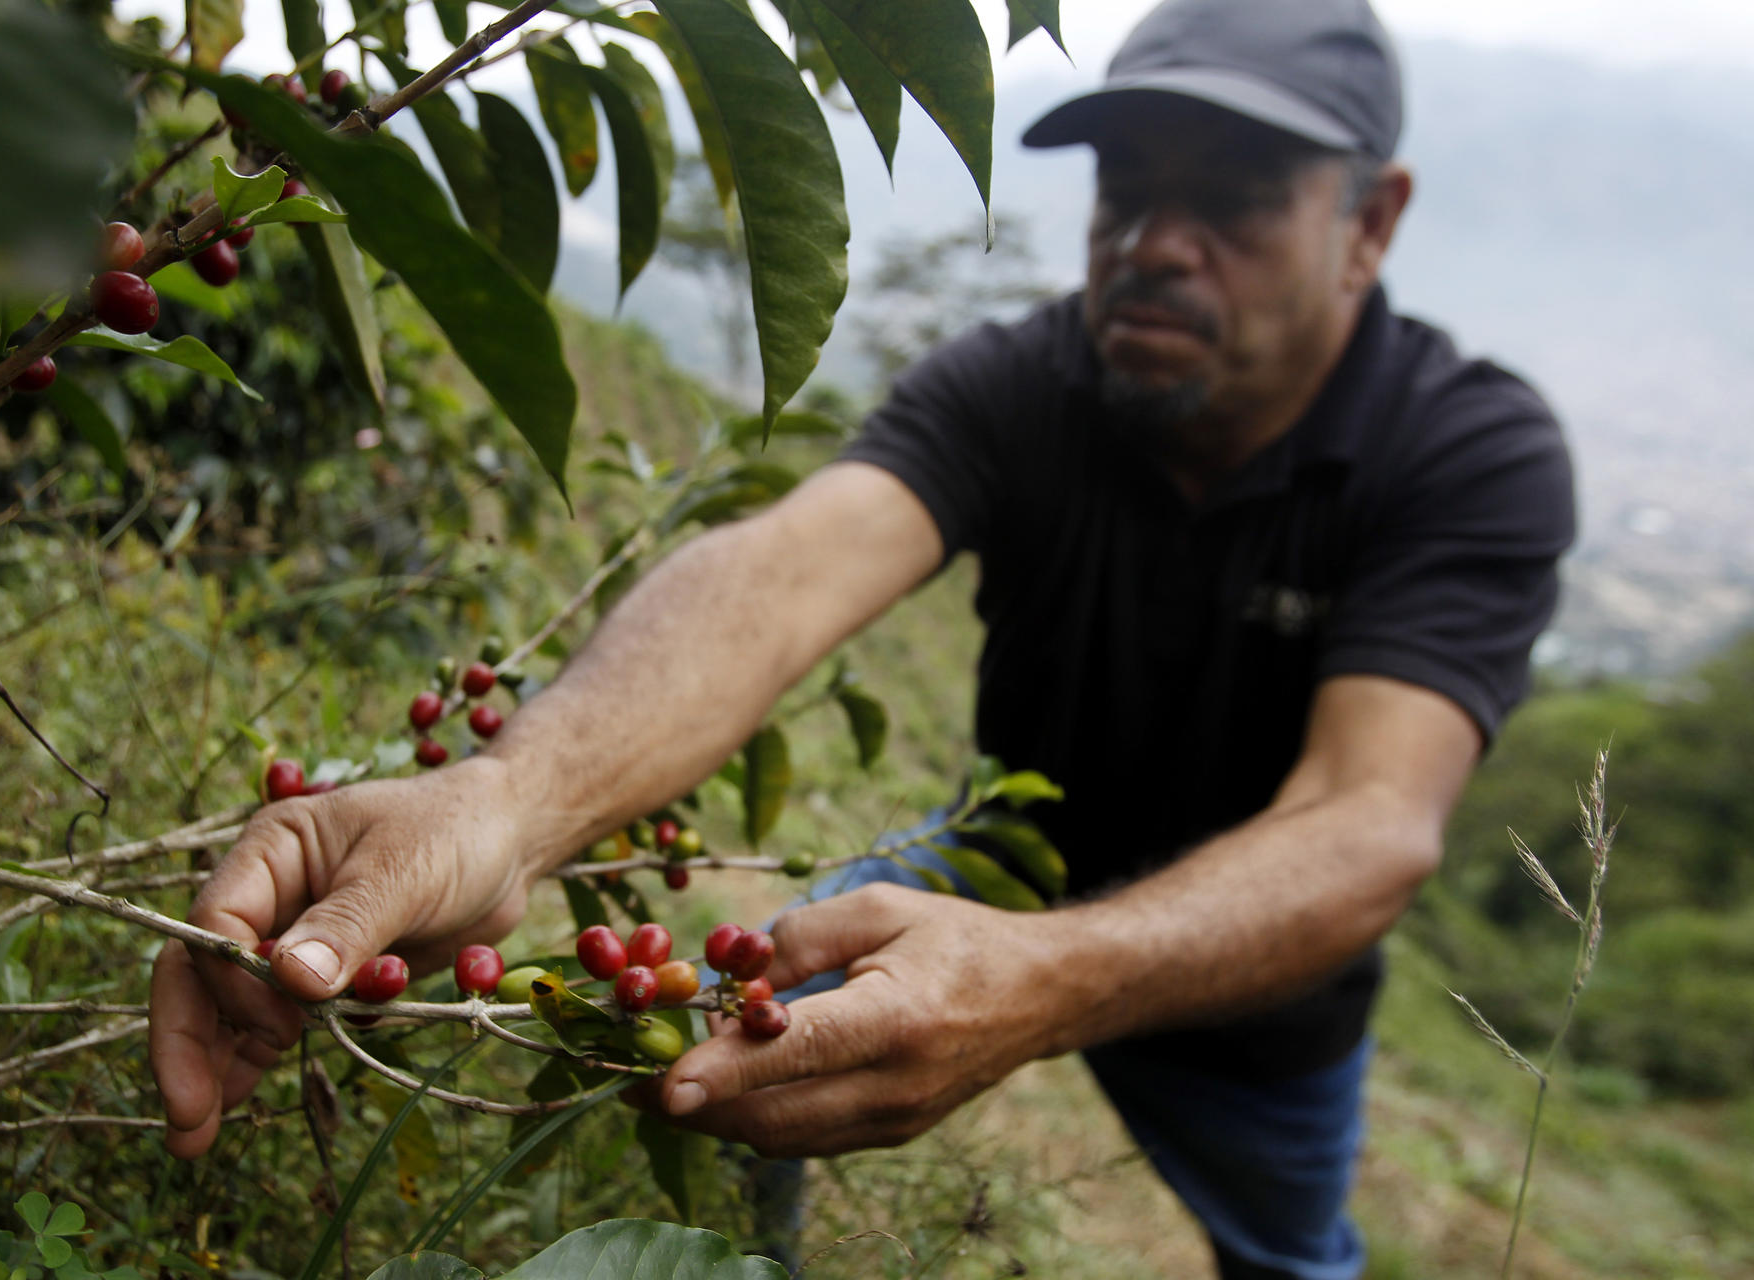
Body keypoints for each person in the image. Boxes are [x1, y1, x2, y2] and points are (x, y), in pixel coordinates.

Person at [148, 0, 1575, 1274]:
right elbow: (780, 572)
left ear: (1371, 221)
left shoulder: (1467, 451)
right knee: (745, 1021)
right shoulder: (1030, 378)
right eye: (1125, 193)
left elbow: (1369, 819)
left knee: (1285, 1252)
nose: (1156, 247)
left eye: (1235, 204)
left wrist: (1047, 982)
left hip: (1253, 995)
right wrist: (503, 804)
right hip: (1006, 868)